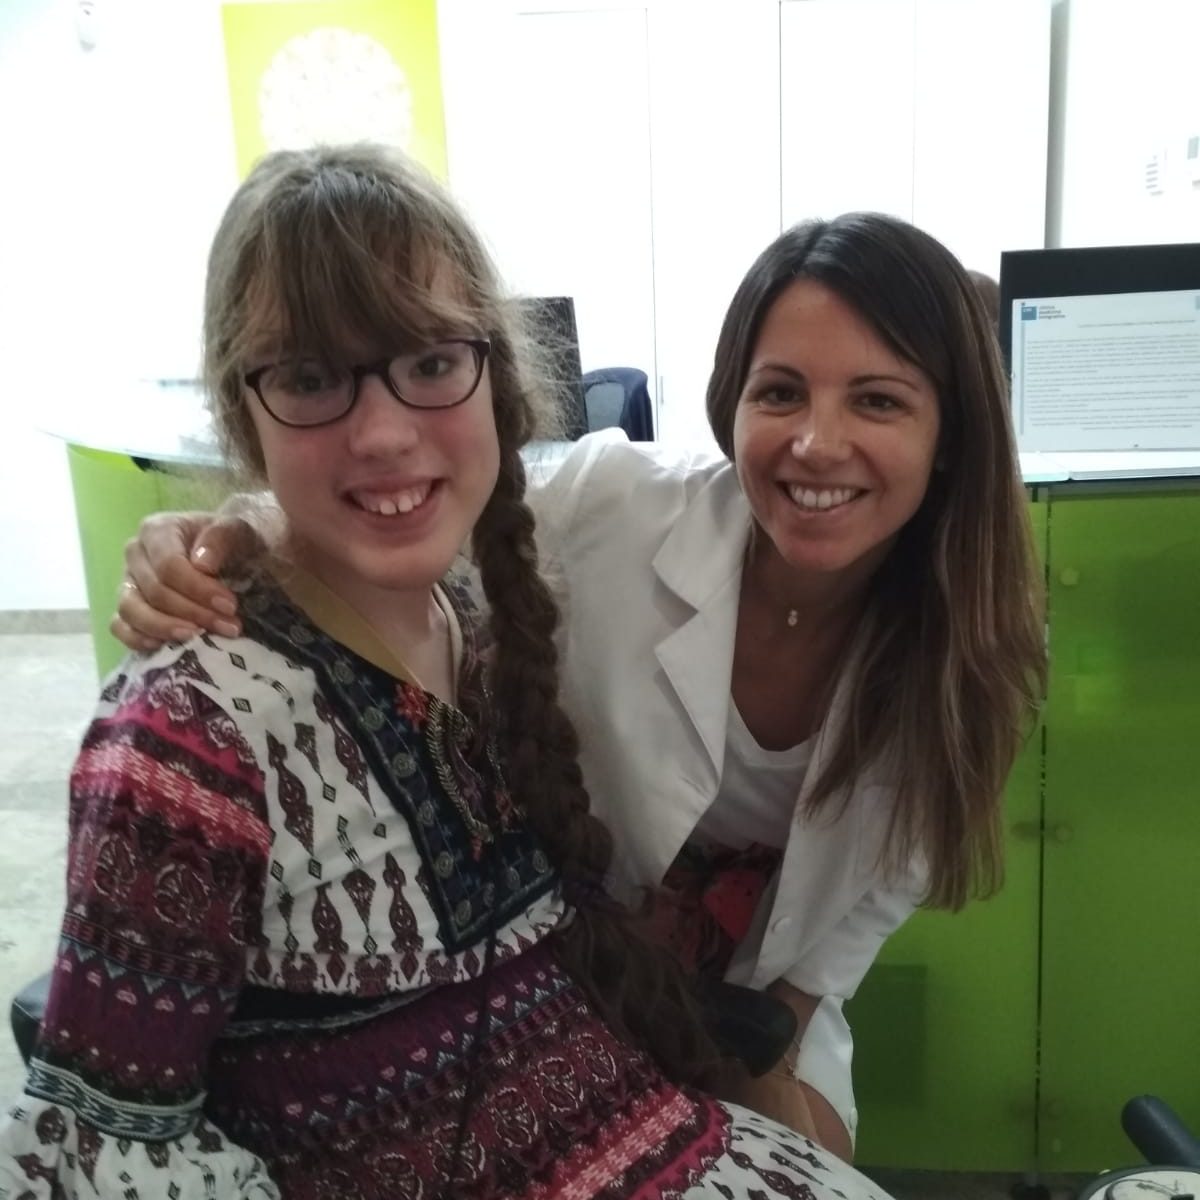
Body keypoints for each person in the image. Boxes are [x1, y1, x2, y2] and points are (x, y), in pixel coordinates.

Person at [1, 143, 898, 1200]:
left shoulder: (485, 619)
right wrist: (225, 532)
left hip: (638, 1114)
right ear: (243, 413)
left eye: (430, 363)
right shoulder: (188, 737)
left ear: (496, 385)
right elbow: (106, 1150)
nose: (383, 433)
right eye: (310, 378)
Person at [111, 205, 1046, 1160]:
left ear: (951, 432)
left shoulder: (973, 650)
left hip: (759, 1002)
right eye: (780, 392)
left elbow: (883, 888)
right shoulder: (619, 506)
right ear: (733, 400)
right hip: (558, 972)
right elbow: (428, 506)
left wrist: (768, 1053)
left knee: (814, 1160)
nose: (816, 442)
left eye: (878, 402)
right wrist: (230, 529)